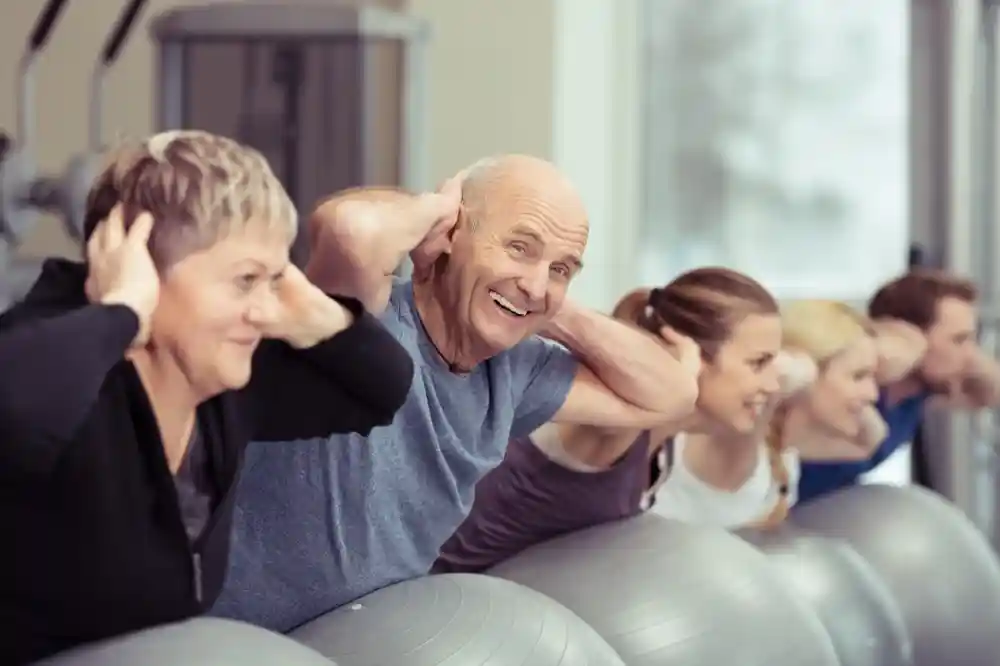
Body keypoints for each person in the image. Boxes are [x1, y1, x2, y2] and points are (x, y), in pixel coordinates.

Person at [211, 154, 702, 632]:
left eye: (562, 267)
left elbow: (672, 395)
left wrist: (550, 306)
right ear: (452, 236)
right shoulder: (363, 321)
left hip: (362, 644)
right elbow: (351, 231)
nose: (537, 281)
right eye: (519, 247)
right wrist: (435, 211)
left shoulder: (518, 372)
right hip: (231, 642)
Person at [0, 131, 414, 665]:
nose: (265, 309)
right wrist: (121, 313)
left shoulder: (222, 381)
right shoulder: (56, 365)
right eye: (244, 280)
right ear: (142, 269)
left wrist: (320, 312)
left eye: (274, 277)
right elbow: (12, 409)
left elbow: (382, 391)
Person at [433, 267, 784, 573]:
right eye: (758, 363)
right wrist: (676, 377)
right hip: (432, 605)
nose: (772, 385)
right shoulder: (615, 425)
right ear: (694, 356)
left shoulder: (663, 442)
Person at [649, 299, 915, 528]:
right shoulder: (737, 434)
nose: (872, 395)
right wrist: (799, 368)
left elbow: (870, 440)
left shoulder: (784, 453)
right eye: (859, 376)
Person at [797, 269, 1000, 503]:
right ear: (907, 334)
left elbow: (991, 392)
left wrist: (963, 351)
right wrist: (906, 343)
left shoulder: (918, 394)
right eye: (959, 339)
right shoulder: (850, 387)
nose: (970, 355)